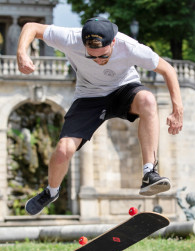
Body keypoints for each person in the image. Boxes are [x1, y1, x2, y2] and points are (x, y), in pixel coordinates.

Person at [17, 17, 183, 216]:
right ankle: (51, 192)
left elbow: (168, 70)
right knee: (63, 150)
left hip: (124, 90)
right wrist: (21, 53)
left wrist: (177, 109)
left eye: (103, 56)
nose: (98, 61)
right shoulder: (71, 38)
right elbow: (31, 27)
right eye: (92, 56)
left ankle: (149, 172)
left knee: (148, 99)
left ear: (113, 42)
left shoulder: (129, 46)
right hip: (89, 97)